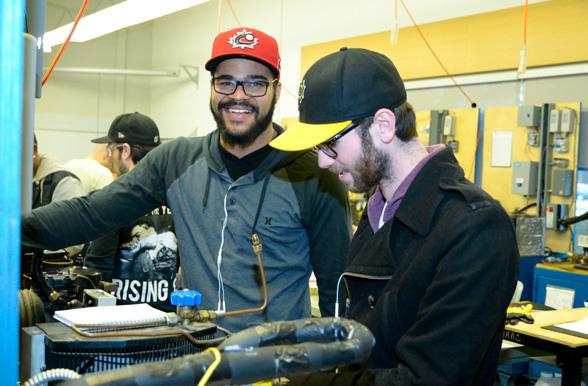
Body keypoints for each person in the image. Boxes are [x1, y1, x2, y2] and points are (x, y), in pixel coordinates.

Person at [21, 27, 351, 332]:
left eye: (255, 83)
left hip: (276, 367)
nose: (238, 95)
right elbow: (92, 213)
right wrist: (12, 231)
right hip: (196, 360)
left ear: (277, 90)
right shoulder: (176, 161)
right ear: (212, 87)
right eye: (226, 82)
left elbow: (338, 295)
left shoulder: (314, 176)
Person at [270, 48, 519, 385]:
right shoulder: (378, 213)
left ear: (384, 125)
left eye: (329, 144)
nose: (323, 162)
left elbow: (428, 379)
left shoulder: (474, 227)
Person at [82, 112, 178, 311]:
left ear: (125, 150)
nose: (110, 158)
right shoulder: (176, 196)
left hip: (122, 322)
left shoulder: (114, 200)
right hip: (168, 321)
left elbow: (97, 269)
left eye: (111, 150)